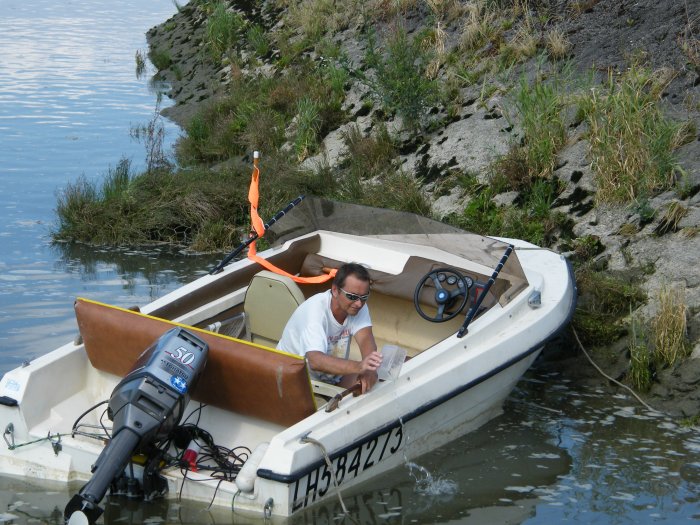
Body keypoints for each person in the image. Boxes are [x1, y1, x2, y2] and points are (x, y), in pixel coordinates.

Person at [276, 263, 382, 394]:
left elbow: (365, 338)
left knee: (376, 385)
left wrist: (370, 370)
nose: (359, 303)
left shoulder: (358, 305)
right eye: (352, 296)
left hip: (332, 377)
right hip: (294, 379)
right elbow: (315, 361)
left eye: (364, 297)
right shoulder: (315, 312)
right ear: (335, 290)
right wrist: (360, 366)